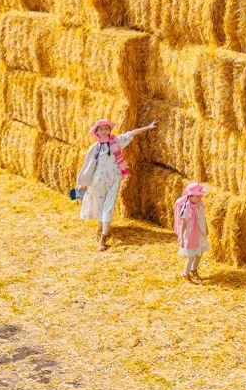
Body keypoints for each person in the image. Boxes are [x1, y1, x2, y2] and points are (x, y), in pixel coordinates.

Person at [76, 118, 156, 251]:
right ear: (96, 132)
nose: (104, 131)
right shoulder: (94, 148)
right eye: (101, 129)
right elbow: (89, 166)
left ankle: (103, 238)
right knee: (100, 204)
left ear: (109, 130)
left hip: (114, 178)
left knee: (109, 205)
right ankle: (102, 226)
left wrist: (148, 127)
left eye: (106, 128)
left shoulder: (117, 141)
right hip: (99, 179)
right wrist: (83, 183)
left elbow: (131, 133)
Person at [174, 182, 209, 282]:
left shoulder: (200, 204)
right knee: (191, 256)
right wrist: (181, 237)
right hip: (190, 235)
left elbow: (203, 217)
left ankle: (194, 270)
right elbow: (183, 224)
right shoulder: (187, 207)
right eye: (197, 196)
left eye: (200, 195)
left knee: (199, 254)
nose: (200, 197)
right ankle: (185, 274)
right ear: (190, 196)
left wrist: (206, 227)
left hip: (200, 232)